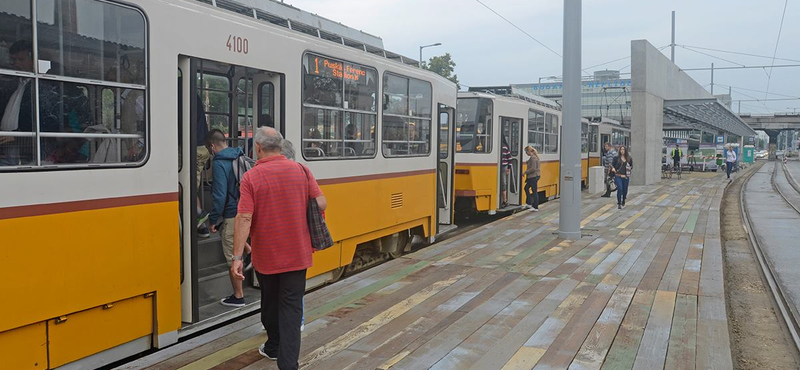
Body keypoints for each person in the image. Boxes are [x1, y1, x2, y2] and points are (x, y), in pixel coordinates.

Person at [232, 127, 326, 368]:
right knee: (292, 309)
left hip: (267, 256)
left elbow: (244, 217)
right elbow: (321, 201)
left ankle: (273, 345)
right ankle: (288, 364)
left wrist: (237, 257)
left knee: (270, 303)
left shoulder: (251, 177)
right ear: (281, 146)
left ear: (258, 148)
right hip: (298, 253)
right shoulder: (301, 170)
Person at [205, 129, 253, 307]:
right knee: (239, 243)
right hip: (245, 211)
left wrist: (213, 220)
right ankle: (251, 251)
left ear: (212, 146)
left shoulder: (219, 163)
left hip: (232, 214)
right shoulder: (237, 155)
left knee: (233, 256)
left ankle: (238, 296)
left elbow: (219, 195)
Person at [611, 145, 633, 209]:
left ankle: (623, 199)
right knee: (620, 188)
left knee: (625, 190)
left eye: (623, 149)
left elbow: (632, 166)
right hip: (618, 176)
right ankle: (619, 203)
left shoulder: (629, 158)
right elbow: (612, 164)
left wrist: (629, 168)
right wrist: (613, 168)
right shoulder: (616, 158)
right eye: (621, 149)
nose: (622, 151)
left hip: (625, 176)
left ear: (625, 150)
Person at [523, 146, 540, 212]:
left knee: (534, 191)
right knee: (526, 188)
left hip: (533, 176)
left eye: (526, 151)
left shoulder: (533, 158)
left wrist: (525, 172)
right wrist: (528, 162)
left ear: (529, 151)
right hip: (533, 176)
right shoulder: (534, 157)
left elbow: (533, 168)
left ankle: (535, 207)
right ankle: (529, 203)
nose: (526, 153)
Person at [500, 136, 512, 208]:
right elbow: (510, 158)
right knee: (503, 183)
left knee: (503, 183)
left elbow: (509, 158)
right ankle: (504, 200)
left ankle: (505, 200)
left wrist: (509, 168)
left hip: (503, 167)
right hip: (503, 166)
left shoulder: (504, 147)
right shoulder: (505, 146)